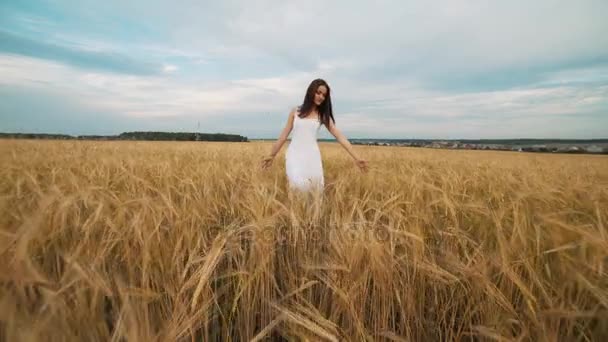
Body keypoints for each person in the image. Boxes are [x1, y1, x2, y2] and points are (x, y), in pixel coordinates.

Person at [260, 78, 368, 194]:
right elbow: (283, 136)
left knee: (315, 191)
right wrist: (271, 155)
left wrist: (356, 158)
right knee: (297, 188)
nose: (321, 97)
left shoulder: (322, 116)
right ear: (311, 92)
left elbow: (339, 136)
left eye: (324, 95)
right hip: (294, 156)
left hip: (313, 158)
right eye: (318, 93)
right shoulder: (295, 112)